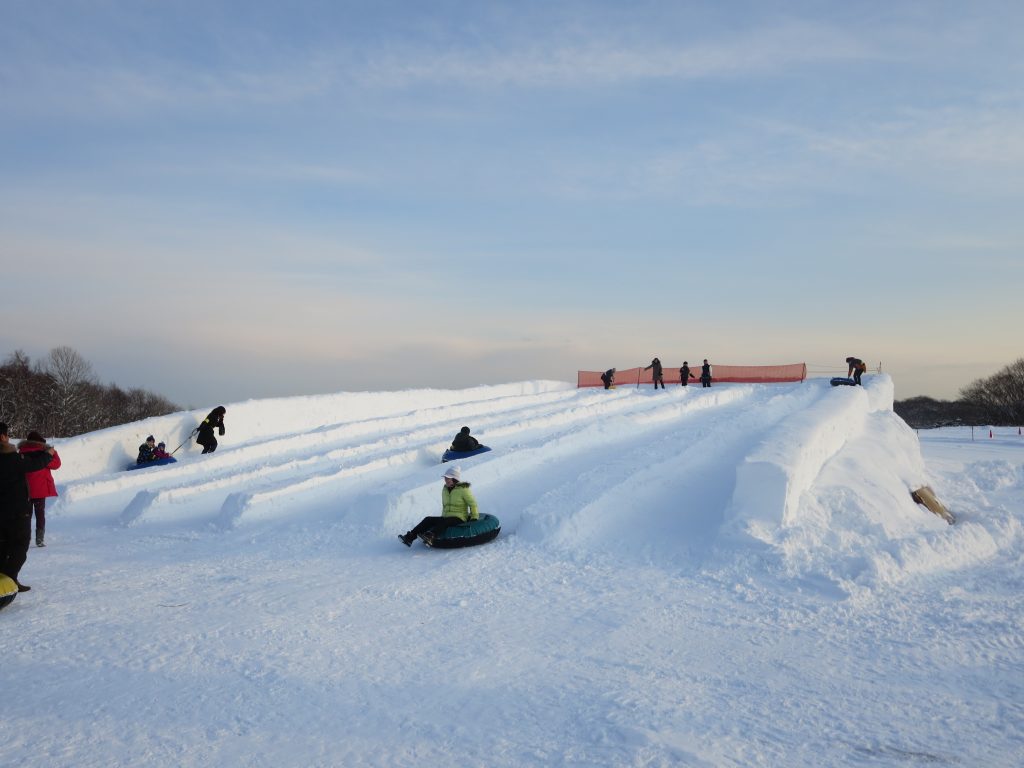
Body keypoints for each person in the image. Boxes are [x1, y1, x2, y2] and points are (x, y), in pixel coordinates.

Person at [0, 422, 58, 591]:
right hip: (16, 511)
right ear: (3, 437)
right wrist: (48, 454)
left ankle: (8, 580)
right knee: (20, 545)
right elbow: (34, 465)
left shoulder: (16, 455)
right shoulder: (11, 457)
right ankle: (8, 581)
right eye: (7, 435)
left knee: (3, 546)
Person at [399, 465, 479, 547]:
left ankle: (430, 537)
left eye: (448, 478)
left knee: (445, 521)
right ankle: (410, 537)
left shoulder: (463, 489)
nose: (446, 480)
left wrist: (474, 518)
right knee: (428, 519)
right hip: (446, 517)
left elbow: (473, 504)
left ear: (454, 479)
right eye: (445, 478)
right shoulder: (445, 489)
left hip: (459, 518)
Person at [17, 431, 61, 547]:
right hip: (40, 490)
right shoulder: (43, 455)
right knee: (40, 514)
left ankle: (24, 539)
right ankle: (39, 539)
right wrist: (54, 452)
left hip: (25, 490)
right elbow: (57, 464)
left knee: (27, 515)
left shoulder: (21, 453)